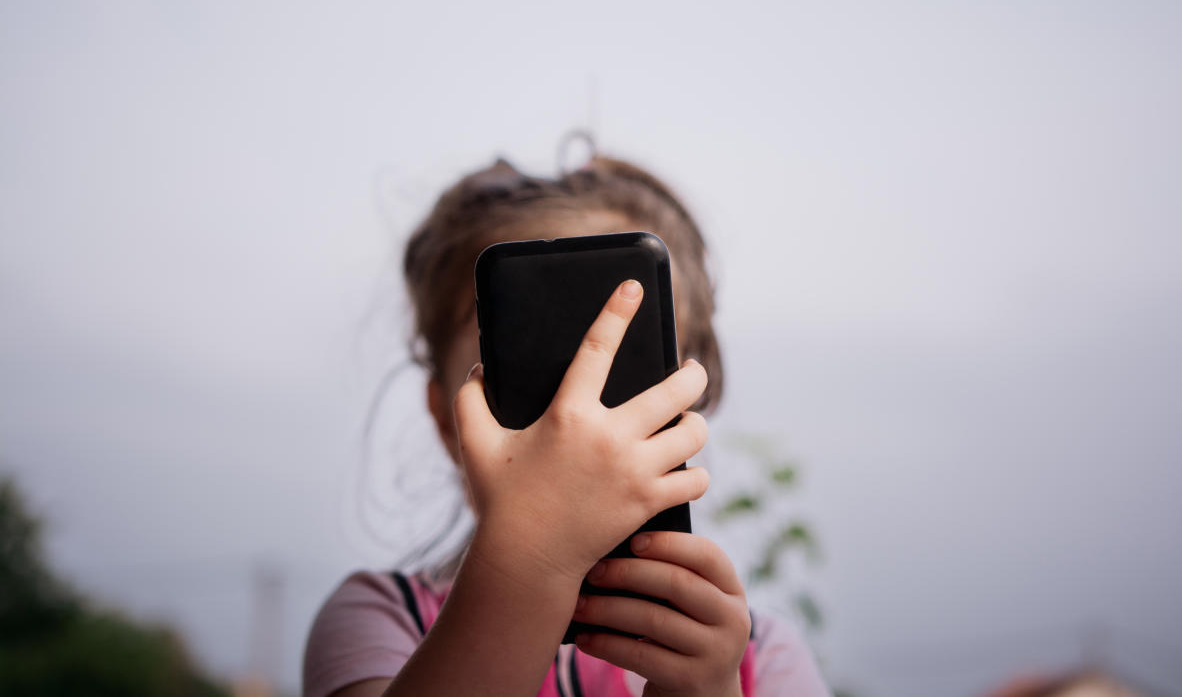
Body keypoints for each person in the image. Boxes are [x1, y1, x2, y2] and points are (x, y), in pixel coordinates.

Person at [303, 143, 831, 697]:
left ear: (682, 405)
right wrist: (530, 556)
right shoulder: (382, 620)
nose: (572, 425)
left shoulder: (761, 657)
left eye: (619, 374)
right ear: (445, 418)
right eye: (536, 381)